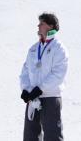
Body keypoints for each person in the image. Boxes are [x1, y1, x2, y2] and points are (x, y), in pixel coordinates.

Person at [19, 12, 68, 141]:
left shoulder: (59, 48)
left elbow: (58, 74)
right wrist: (26, 89)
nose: (38, 26)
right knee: (30, 135)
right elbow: (25, 71)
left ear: (51, 26)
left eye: (42, 23)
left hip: (50, 97)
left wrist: (40, 89)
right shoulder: (33, 49)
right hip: (33, 98)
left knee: (52, 135)